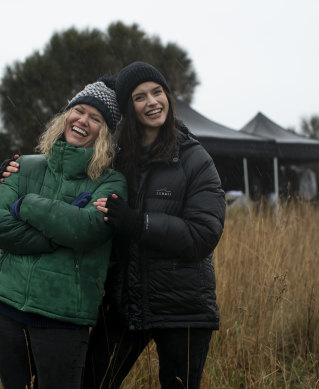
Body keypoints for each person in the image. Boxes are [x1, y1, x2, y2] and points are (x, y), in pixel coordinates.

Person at [83, 61, 226, 389]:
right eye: (139, 97)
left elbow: (202, 235)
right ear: (128, 108)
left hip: (182, 307)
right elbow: (69, 172)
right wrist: (17, 172)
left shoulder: (194, 159)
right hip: (126, 304)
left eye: (157, 92)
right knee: (89, 382)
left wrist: (138, 223)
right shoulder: (116, 161)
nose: (152, 102)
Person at [0, 76, 127, 389]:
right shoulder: (25, 166)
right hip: (6, 305)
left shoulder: (111, 183)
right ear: (66, 116)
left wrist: (27, 205)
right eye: (79, 111)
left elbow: (86, 231)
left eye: (96, 118)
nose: (83, 121)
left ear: (104, 132)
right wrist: (56, 235)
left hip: (64, 317)